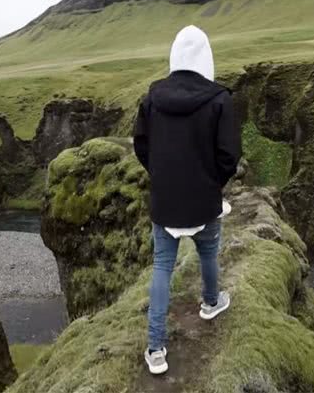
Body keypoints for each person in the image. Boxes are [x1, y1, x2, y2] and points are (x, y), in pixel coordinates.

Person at [133, 25, 242, 375]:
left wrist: (162, 177)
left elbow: (141, 145)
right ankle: (211, 304)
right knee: (208, 252)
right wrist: (212, 184)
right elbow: (229, 154)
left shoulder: (152, 99)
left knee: (162, 266)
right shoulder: (220, 100)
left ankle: (155, 350)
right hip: (203, 201)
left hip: (165, 202)